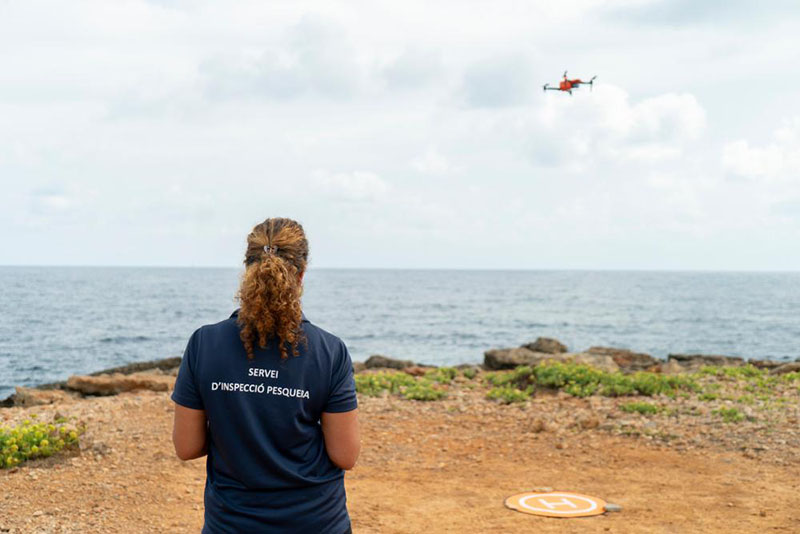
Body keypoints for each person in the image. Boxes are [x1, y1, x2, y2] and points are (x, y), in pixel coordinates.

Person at [171, 217, 360, 534]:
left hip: (232, 525)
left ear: (247, 270)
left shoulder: (204, 343)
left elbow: (186, 446)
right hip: (315, 523)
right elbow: (345, 455)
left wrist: (235, 434)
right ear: (301, 275)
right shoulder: (330, 351)